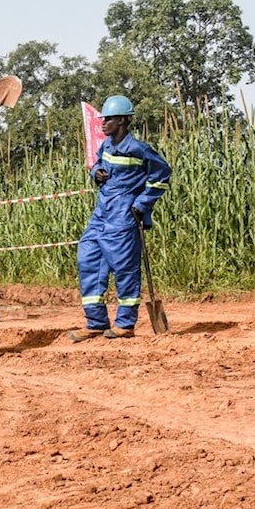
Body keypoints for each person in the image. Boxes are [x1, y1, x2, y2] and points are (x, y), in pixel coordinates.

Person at [69, 95, 172, 342]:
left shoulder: (139, 149)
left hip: (123, 217)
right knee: (87, 261)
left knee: (125, 269)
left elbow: (162, 175)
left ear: (124, 121)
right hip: (101, 215)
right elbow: (95, 164)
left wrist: (142, 203)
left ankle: (125, 324)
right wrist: (97, 172)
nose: (103, 123)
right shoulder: (106, 146)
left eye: (109, 119)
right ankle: (95, 322)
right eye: (103, 118)